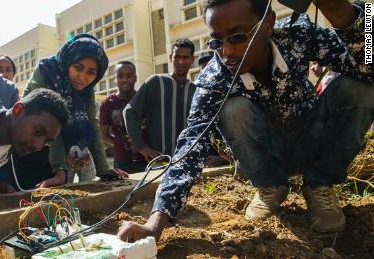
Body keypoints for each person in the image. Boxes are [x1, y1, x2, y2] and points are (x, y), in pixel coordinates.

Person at [118, 0, 373, 242]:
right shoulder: (214, 79)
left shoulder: (299, 36)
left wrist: (342, 13)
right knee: (233, 106)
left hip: (313, 144)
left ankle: (321, 186)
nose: (226, 51)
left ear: (269, 23)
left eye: (238, 37)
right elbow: (190, 147)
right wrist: (155, 224)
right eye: (216, 41)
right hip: (267, 159)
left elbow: (368, 65)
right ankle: (269, 187)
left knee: (361, 88)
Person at [23, 33, 128, 188]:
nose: (82, 77)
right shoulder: (46, 72)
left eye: (91, 72)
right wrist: (59, 170)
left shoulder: (86, 89)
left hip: (64, 151)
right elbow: (48, 122)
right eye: (78, 68)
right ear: (68, 62)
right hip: (33, 147)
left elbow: (92, 122)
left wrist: (103, 168)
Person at [123, 38, 197, 162]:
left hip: (187, 161)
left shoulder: (195, 90)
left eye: (185, 57)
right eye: (177, 57)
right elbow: (129, 112)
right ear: (170, 58)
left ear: (192, 60)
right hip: (158, 161)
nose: (181, 61)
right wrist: (142, 147)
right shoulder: (155, 82)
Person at [99, 61, 146, 173]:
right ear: (115, 79)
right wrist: (119, 143)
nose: (125, 80)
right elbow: (103, 135)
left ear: (135, 78)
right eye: (120, 76)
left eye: (129, 76)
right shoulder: (108, 103)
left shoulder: (143, 99)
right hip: (122, 161)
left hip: (146, 158)